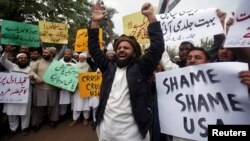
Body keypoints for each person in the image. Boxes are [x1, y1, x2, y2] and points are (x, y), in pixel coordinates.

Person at [88, 2, 164, 140]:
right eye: (119, 47)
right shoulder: (108, 66)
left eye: (126, 48)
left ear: (134, 53)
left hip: (132, 134)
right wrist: (94, 23)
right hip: (106, 131)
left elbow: (157, 47)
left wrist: (151, 17)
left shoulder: (141, 68)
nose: (121, 49)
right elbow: (94, 48)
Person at [29, 48, 60, 131]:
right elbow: (30, 71)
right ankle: (36, 123)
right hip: (39, 88)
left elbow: (62, 75)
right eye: (43, 52)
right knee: (39, 107)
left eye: (46, 52)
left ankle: (53, 120)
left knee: (52, 106)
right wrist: (36, 77)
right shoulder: (38, 62)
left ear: (52, 53)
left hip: (52, 89)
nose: (44, 53)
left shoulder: (57, 63)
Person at [1, 52, 31, 136]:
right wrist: (6, 52)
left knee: (25, 113)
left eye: (25, 58)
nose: (23, 59)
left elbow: (34, 80)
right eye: (21, 58)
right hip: (12, 95)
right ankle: (13, 129)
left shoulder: (30, 69)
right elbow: (3, 60)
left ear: (27, 60)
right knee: (12, 113)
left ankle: (24, 128)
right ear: (17, 59)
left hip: (25, 94)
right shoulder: (12, 66)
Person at [69, 52, 91, 127]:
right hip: (77, 88)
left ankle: (86, 118)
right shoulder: (75, 65)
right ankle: (75, 119)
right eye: (80, 57)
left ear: (85, 58)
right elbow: (71, 76)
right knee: (76, 104)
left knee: (85, 104)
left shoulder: (88, 66)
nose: (81, 59)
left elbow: (91, 77)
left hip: (85, 88)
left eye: (83, 58)